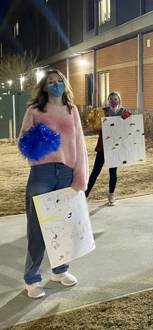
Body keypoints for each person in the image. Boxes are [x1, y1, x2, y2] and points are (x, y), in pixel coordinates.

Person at [19, 69, 89, 299]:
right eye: (51, 82)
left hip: (66, 172)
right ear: (45, 87)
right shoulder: (34, 110)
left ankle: (60, 271)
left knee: (62, 225)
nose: (56, 85)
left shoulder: (72, 110)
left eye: (60, 81)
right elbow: (23, 142)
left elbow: (79, 145)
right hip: (42, 173)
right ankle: (32, 279)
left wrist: (80, 178)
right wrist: (40, 141)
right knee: (37, 227)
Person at [85, 92, 131, 205]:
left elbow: (131, 123)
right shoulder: (103, 112)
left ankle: (111, 195)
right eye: (111, 99)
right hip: (103, 147)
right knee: (95, 171)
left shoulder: (124, 111)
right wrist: (97, 123)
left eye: (115, 99)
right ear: (108, 100)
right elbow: (95, 126)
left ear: (119, 100)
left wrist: (128, 117)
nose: (113, 101)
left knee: (113, 172)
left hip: (115, 147)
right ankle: (85, 195)